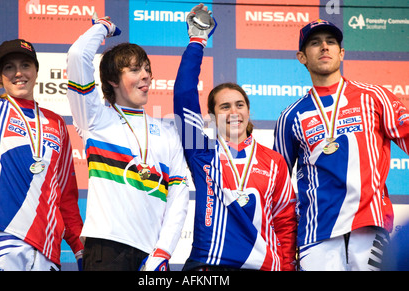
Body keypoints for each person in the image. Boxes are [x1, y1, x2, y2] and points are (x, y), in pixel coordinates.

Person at [273, 19, 409, 270]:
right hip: (316, 235)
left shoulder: (375, 97)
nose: (324, 47)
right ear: (302, 57)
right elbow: (277, 186)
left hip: (370, 226)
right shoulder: (290, 117)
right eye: (315, 43)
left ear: (341, 53)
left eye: (331, 42)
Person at [174, 4, 297, 271]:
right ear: (211, 115)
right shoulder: (201, 152)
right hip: (209, 264)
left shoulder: (273, 162)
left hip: (264, 266)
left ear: (248, 110)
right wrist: (197, 40)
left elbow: (285, 222)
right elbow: (184, 94)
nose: (234, 112)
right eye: (225, 106)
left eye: (239, 105)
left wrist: (287, 268)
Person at [66, 14, 189, 271]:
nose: (145, 76)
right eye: (135, 70)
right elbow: (78, 55)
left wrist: (163, 252)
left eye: (147, 69)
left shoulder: (168, 132)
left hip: (151, 255)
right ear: (112, 79)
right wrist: (104, 27)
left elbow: (179, 196)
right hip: (107, 249)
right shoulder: (95, 118)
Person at [0, 39, 84, 271]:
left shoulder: (56, 123)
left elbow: (66, 196)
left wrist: (79, 247)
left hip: (47, 251)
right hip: (0, 241)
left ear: (36, 72)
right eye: (9, 67)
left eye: (26, 65)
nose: (19, 73)